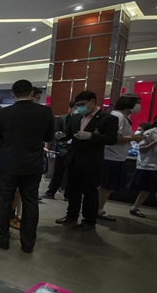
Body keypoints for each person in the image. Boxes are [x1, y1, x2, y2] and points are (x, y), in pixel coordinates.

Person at [0, 79, 54, 253]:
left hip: (8, 163)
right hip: (33, 164)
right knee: (31, 202)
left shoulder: (6, 113)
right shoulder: (45, 111)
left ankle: (2, 238)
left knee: (4, 201)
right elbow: (49, 135)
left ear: (13, 94)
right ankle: (28, 243)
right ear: (32, 93)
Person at [54, 91, 118, 231]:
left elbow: (112, 139)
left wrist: (91, 137)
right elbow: (70, 134)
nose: (80, 108)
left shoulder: (107, 118)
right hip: (74, 159)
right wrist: (61, 136)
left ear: (92, 102)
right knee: (73, 190)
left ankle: (89, 220)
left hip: (91, 161)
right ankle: (71, 216)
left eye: (82, 105)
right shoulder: (76, 117)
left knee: (89, 192)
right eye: (77, 105)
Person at [97, 95, 146, 221]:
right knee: (106, 186)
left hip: (116, 156)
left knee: (108, 186)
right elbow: (114, 138)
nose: (139, 106)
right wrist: (134, 138)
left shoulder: (122, 117)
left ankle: (97, 208)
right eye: (137, 103)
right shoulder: (118, 117)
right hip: (111, 156)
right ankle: (98, 209)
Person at [42, 100, 76, 199]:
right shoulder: (63, 118)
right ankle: (51, 191)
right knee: (57, 172)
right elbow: (56, 134)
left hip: (74, 150)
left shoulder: (82, 119)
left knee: (72, 174)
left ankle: (68, 194)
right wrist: (54, 148)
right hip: (62, 149)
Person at [126, 120, 157, 218]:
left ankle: (134, 208)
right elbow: (142, 149)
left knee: (148, 189)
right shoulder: (150, 132)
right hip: (149, 165)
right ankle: (134, 208)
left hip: (153, 165)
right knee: (147, 189)